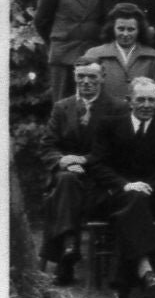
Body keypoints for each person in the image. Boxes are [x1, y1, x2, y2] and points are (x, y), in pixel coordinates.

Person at [88, 77, 155, 298]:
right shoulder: (108, 125)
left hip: (149, 199)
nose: (146, 104)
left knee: (132, 212)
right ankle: (146, 268)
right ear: (129, 101)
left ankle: (121, 293)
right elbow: (97, 165)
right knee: (132, 206)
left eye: (151, 100)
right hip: (111, 195)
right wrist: (126, 185)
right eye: (140, 99)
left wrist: (146, 188)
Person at [37, 58, 124, 283]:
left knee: (65, 187)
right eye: (81, 76)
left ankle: (67, 253)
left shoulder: (117, 108)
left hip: (100, 184)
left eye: (92, 77)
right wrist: (62, 160)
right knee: (66, 179)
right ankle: (68, 247)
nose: (86, 81)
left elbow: (117, 151)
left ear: (103, 78)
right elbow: (47, 146)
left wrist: (83, 160)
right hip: (68, 179)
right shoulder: (62, 107)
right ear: (74, 77)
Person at [88, 3, 155, 108]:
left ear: (139, 30)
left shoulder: (153, 57)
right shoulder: (95, 55)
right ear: (112, 28)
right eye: (121, 29)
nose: (125, 34)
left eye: (131, 29)